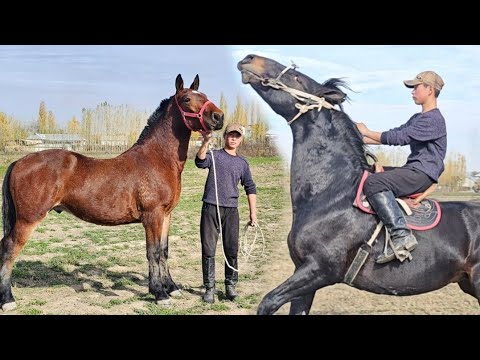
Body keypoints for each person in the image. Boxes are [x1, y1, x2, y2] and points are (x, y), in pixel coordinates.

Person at [356, 71, 447, 264]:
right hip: (414, 170)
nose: (412, 91)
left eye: (416, 87)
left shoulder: (434, 119)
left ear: (430, 90)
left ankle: (401, 235)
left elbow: (399, 139)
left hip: (421, 173)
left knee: (374, 182)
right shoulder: (418, 118)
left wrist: (367, 131)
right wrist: (354, 137)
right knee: (369, 173)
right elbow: (396, 132)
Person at [195, 123, 257, 303]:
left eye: (237, 136)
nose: (233, 138)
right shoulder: (214, 156)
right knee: (208, 249)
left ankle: (230, 285)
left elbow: (250, 187)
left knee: (232, 249)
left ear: (241, 139)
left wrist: (253, 213)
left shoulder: (242, 163)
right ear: (225, 136)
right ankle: (209, 288)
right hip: (210, 207)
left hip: (231, 210)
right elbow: (200, 161)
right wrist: (206, 141)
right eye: (231, 135)